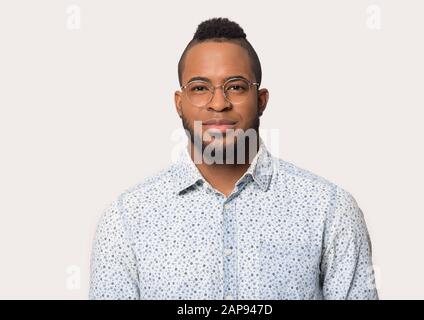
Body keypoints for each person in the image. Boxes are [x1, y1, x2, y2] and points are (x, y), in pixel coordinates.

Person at [89, 17, 378, 300]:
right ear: (179, 103)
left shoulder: (329, 210)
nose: (218, 103)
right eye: (200, 88)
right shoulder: (126, 219)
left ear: (261, 100)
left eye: (236, 86)